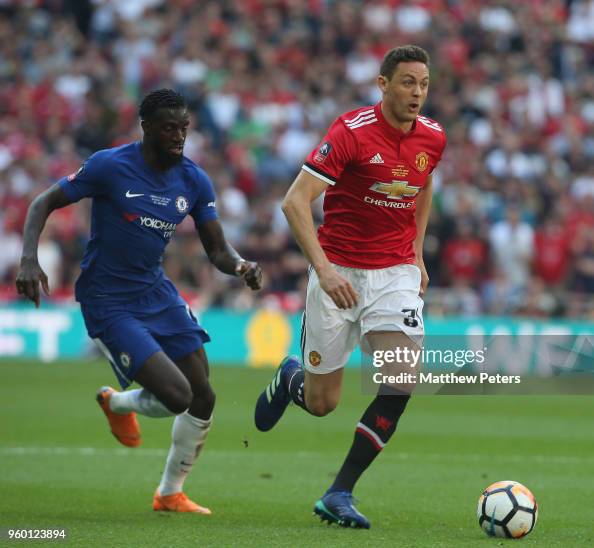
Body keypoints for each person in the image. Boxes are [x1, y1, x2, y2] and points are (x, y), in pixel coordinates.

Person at [15, 89, 262, 515]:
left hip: (156, 292)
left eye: (184, 127)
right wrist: (28, 259)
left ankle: (169, 493)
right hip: (108, 299)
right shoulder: (109, 166)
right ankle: (115, 401)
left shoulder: (194, 179)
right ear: (146, 127)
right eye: (169, 127)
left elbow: (217, 250)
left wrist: (241, 266)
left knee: (204, 395)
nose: (179, 136)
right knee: (178, 395)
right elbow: (44, 202)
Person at [254, 45, 446, 528]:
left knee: (401, 379)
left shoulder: (434, 138)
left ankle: (339, 492)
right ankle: (291, 378)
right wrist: (324, 270)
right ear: (382, 85)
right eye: (407, 82)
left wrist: (417, 254)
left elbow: (422, 187)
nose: (417, 92)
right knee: (323, 404)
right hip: (337, 271)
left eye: (423, 83)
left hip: (395, 275)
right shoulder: (351, 133)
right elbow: (295, 203)